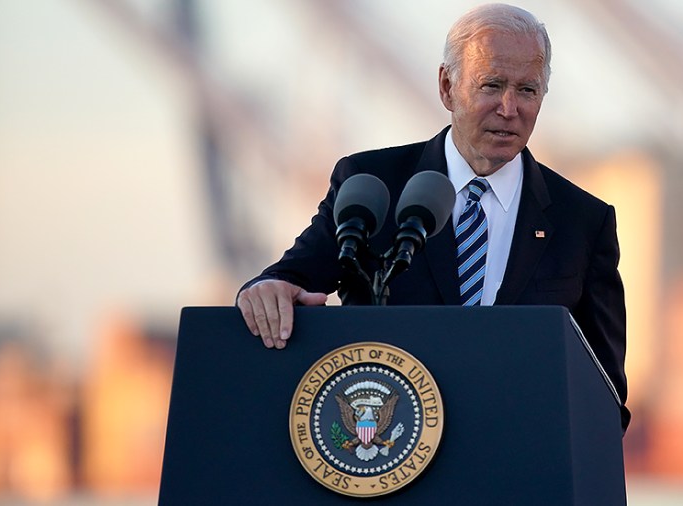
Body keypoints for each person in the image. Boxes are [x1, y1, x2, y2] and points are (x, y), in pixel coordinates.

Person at [237, 3, 629, 430]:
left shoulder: (583, 222)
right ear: (447, 87)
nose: (509, 107)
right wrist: (265, 291)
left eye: (528, 90)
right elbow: (288, 280)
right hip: (390, 455)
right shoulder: (371, 185)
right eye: (491, 85)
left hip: (518, 467)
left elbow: (604, 390)